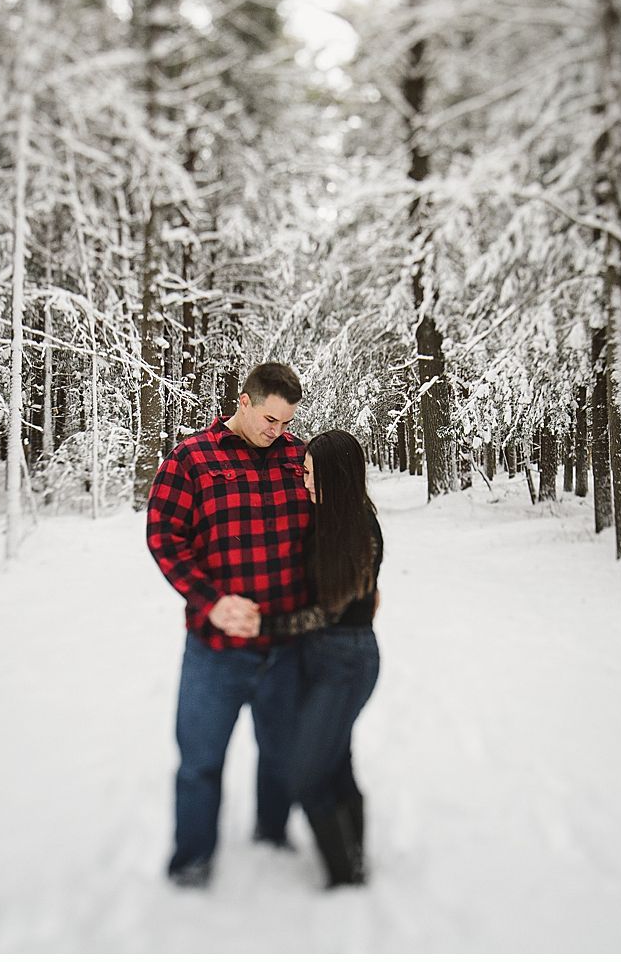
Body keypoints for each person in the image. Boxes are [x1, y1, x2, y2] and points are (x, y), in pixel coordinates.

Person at [146, 361, 311, 887]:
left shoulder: (297, 458)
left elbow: (336, 526)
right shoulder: (192, 459)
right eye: (268, 419)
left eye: (285, 422)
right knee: (199, 760)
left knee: (282, 754)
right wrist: (210, 600)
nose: (277, 431)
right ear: (243, 402)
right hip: (215, 648)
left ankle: (272, 832)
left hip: (284, 645)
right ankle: (192, 860)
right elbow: (164, 535)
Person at [257, 429, 383, 889]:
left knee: (305, 774)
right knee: (335, 761)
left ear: (335, 474)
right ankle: (354, 861)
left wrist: (264, 626)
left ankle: (345, 877)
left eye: (311, 474)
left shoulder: (359, 527)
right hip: (321, 658)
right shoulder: (327, 516)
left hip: (347, 661)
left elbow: (327, 611)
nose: (304, 483)